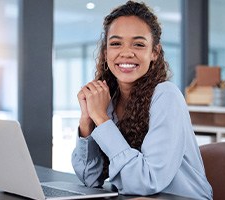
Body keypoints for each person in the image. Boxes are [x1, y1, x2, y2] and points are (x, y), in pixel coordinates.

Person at [72, 1, 213, 199]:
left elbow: (147, 181)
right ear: (105, 53)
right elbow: (90, 178)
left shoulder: (167, 96)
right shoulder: (109, 100)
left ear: (154, 52)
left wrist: (102, 120)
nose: (127, 52)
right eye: (115, 43)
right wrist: (87, 120)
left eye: (138, 44)